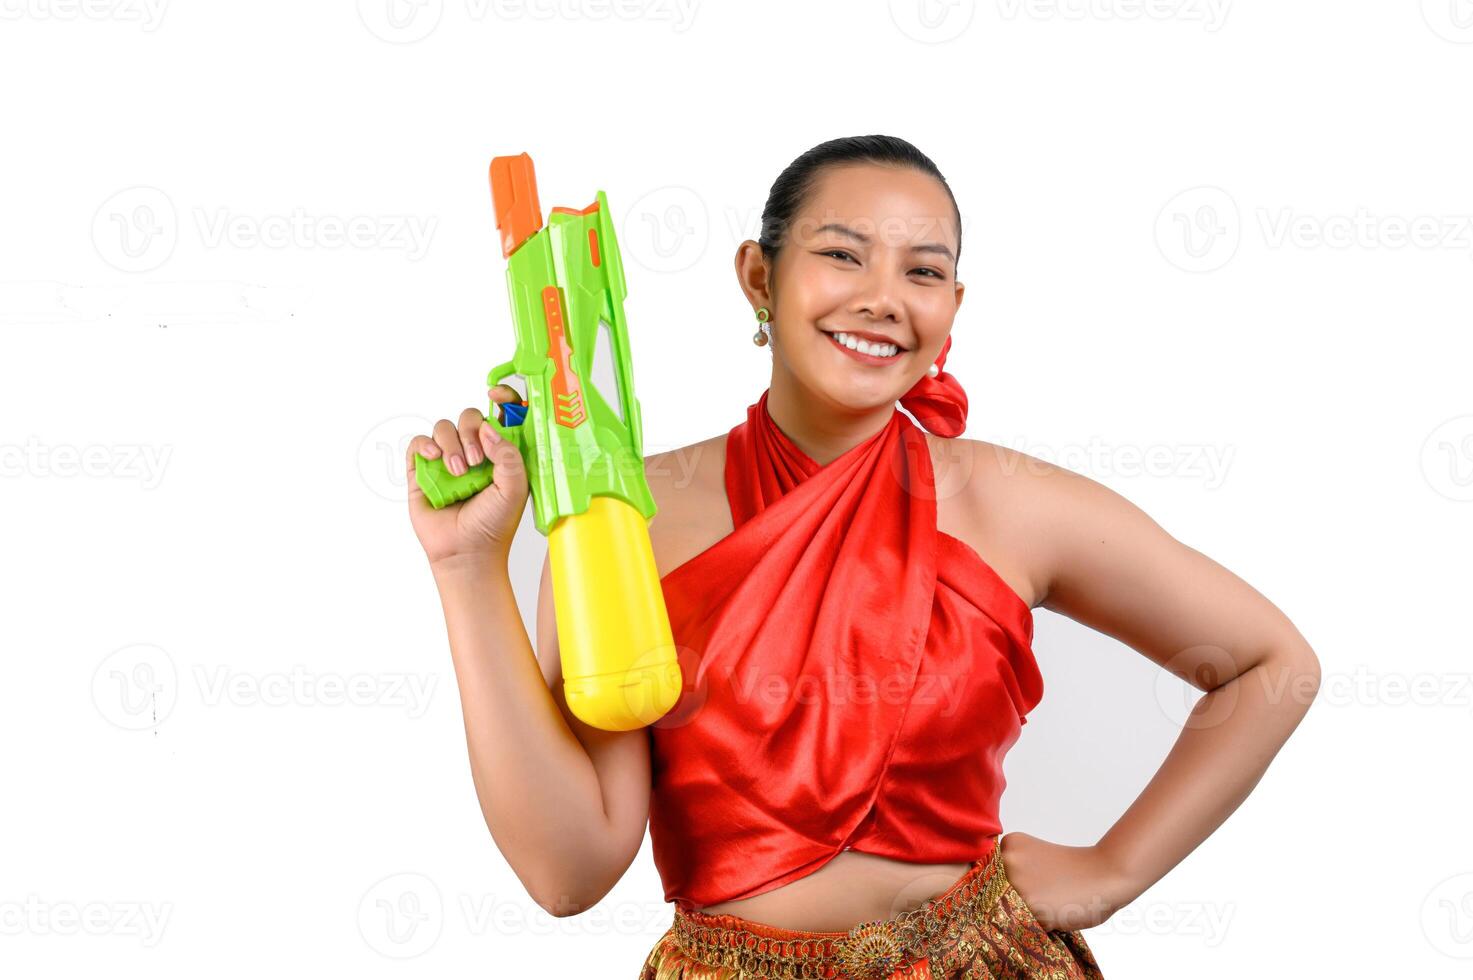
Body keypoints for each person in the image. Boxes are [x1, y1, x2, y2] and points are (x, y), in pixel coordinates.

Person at [404, 135, 1321, 979]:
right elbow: (570, 872)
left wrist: (1115, 869)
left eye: (922, 271)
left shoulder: (1012, 502)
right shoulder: (620, 519)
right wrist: (466, 570)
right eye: (841, 253)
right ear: (758, 278)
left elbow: (1269, 662)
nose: (882, 295)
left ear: (951, 307)